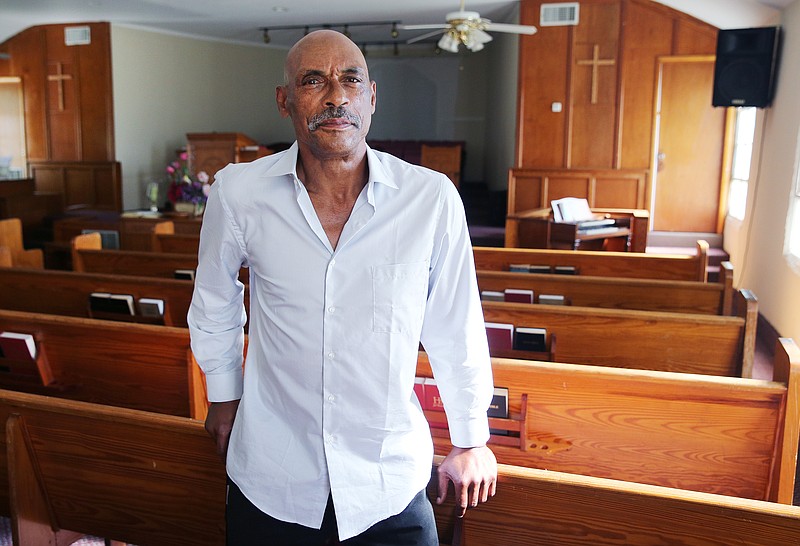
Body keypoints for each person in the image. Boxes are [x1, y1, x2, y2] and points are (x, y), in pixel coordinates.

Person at [188, 29, 497, 545]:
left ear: (371, 98)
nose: (336, 96)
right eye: (314, 81)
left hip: (388, 480)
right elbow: (215, 300)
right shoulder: (238, 193)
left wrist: (470, 437)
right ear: (285, 101)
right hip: (271, 473)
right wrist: (223, 394)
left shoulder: (430, 199)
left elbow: (455, 325)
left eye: (350, 80)